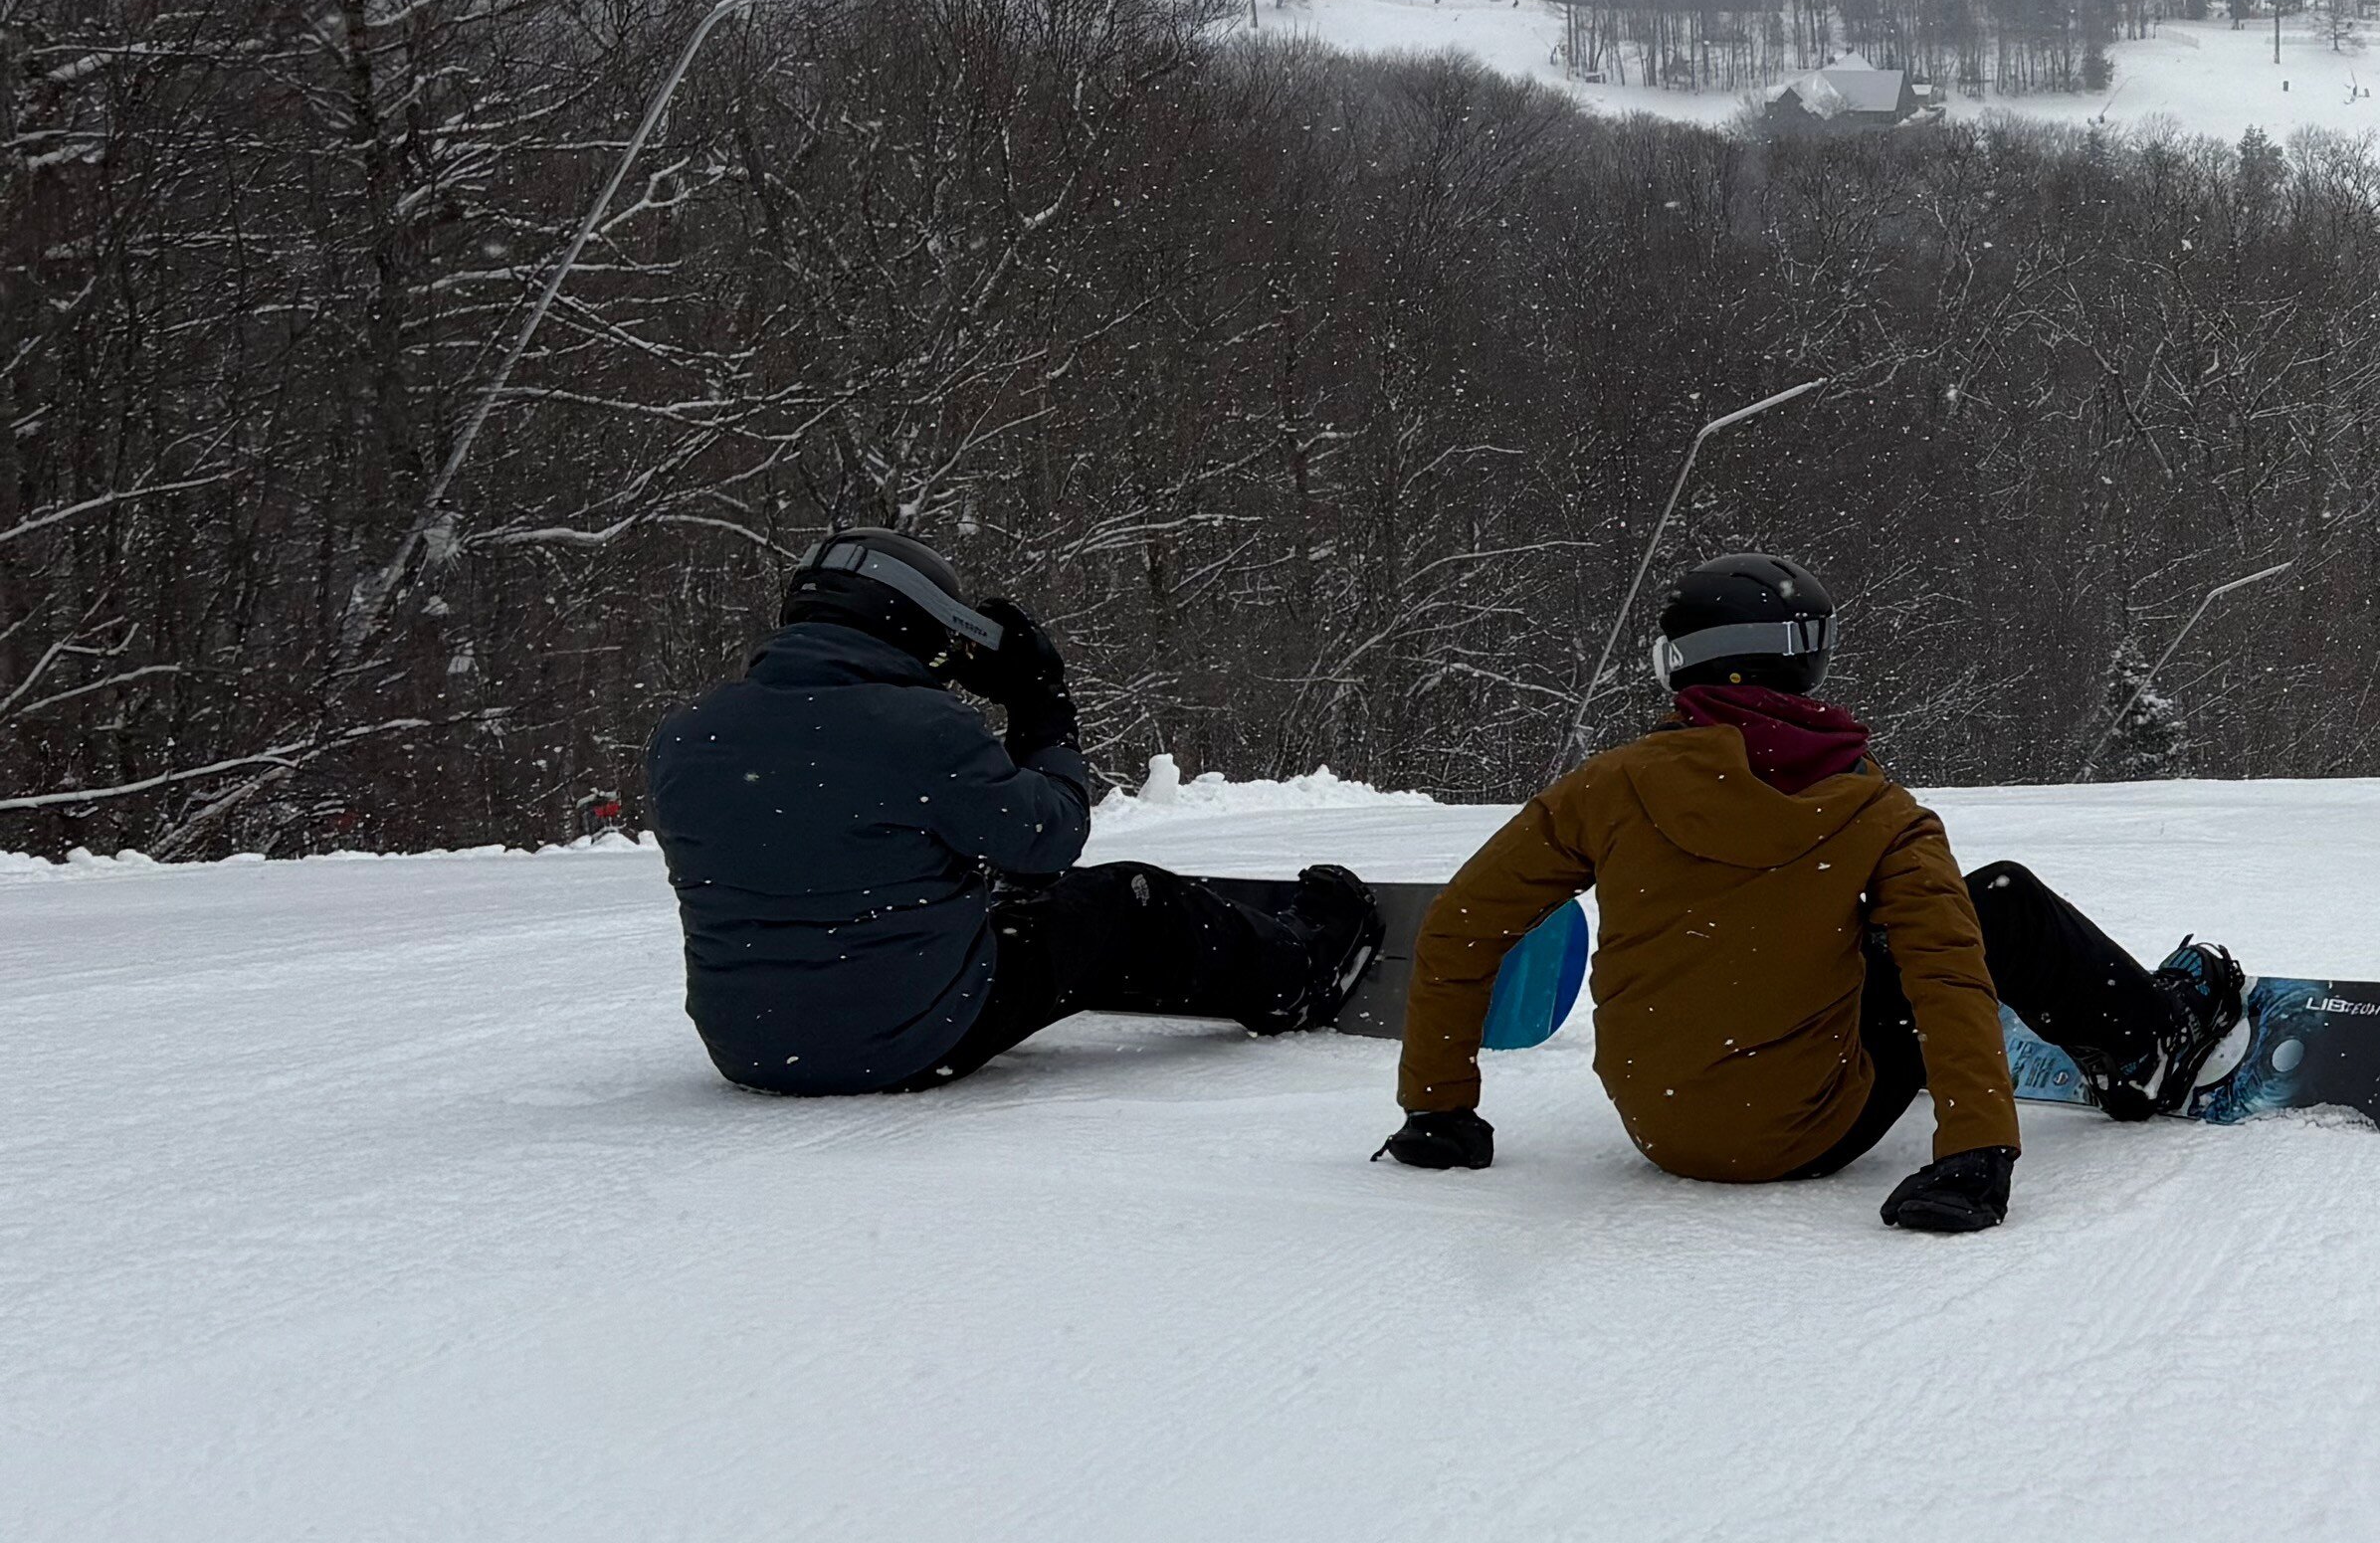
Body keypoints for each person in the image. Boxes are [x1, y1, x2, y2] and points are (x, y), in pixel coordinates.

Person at [1374, 549, 2227, 1233]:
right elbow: (1948, 969)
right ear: (1808, 661)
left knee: (1862, 928)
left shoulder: (1609, 788)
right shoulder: (1876, 811)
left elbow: (1460, 926)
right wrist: (1976, 1154)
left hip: (1660, 1125)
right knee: (1996, 903)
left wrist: (1436, 1110)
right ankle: (2148, 1047)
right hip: (1807, 1131)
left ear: (1679, 665)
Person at [650, 524, 1385, 1094]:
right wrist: (1039, 704)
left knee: (996, 891)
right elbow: (1050, 837)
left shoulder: (687, 732)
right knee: (1133, 901)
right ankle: (1303, 974)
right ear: (910, 623)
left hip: (747, 1045)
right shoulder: (918, 729)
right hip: (903, 1042)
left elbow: (812, 838)